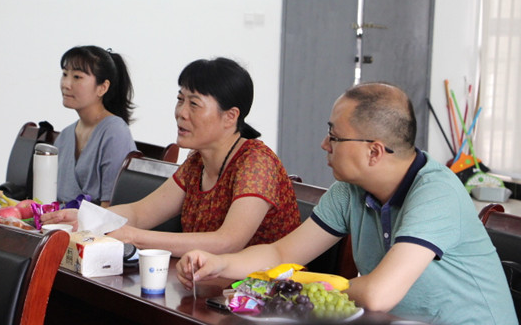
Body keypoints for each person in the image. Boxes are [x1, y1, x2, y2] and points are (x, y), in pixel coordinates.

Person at [177, 82, 517, 325]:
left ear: (374, 151)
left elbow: (378, 294)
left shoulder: (436, 193)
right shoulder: (350, 190)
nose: (324, 144)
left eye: (335, 136)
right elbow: (282, 255)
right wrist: (220, 263)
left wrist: (288, 287)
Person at [42, 57, 300, 257]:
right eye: (180, 100)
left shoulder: (256, 162)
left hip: (264, 294)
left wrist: (134, 237)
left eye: (194, 104)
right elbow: (140, 212)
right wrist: (87, 217)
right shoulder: (197, 161)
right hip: (207, 283)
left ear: (230, 116)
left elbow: (228, 241)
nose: (181, 113)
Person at [54, 45, 136, 206]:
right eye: (64, 74)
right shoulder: (65, 135)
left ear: (102, 88)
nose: (66, 84)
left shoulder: (115, 132)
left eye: (77, 77)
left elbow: (111, 208)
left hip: (95, 222)